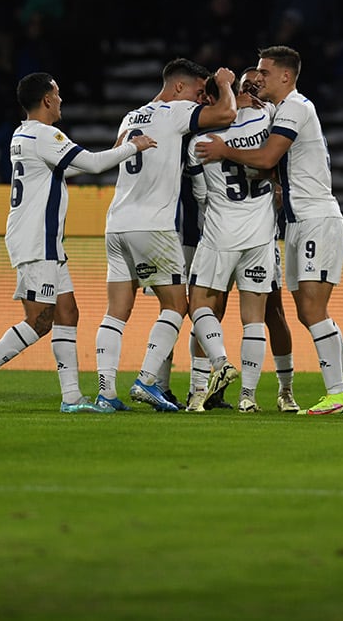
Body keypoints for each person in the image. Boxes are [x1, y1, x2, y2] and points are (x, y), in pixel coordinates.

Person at [0, 72, 155, 414]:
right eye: (57, 94)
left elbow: (63, 170)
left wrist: (116, 151)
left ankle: (72, 398)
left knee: (67, 313)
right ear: (46, 99)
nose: (61, 100)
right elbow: (89, 164)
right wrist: (134, 147)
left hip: (43, 240)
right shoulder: (45, 134)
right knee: (41, 319)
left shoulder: (23, 133)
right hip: (35, 240)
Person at [196, 45, 343, 416]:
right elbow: (268, 168)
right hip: (295, 221)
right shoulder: (278, 111)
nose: (258, 78)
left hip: (316, 218)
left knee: (311, 307)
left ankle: (338, 394)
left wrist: (225, 150)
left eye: (264, 72)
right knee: (306, 310)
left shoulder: (295, 107)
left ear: (285, 76)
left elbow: (266, 158)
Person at [95, 58, 238, 412]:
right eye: (197, 92)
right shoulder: (175, 111)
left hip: (116, 223)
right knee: (177, 304)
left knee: (117, 311)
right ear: (178, 88)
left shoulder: (131, 117)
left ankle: (105, 392)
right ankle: (146, 380)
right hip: (152, 225)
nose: (200, 100)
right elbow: (226, 115)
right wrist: (225, 84)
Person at [182, 70, 294, 413]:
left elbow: (201, 196)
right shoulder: (263, 117)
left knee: (199, 305)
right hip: (261, 234)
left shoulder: (198, 141)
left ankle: (199, 391)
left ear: (213, 99)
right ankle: (248, 397)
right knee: (254, 318)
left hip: (220, 233)